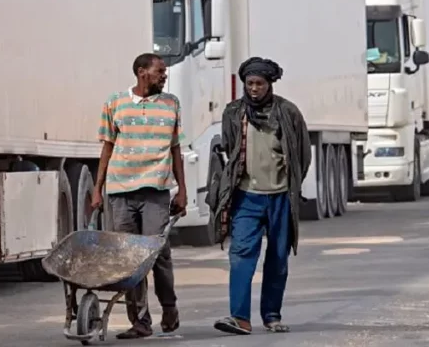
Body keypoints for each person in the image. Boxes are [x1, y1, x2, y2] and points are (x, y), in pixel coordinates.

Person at [209, 57, 311, 336]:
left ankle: (272, 316)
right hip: (246, 197)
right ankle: (239, 317)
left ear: (270, 84)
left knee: (278, 258)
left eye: (259, 84)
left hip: (280, 197)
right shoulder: (233, 112)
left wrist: (290, 184)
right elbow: (229, 149)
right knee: (240, 255)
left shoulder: (287, 112)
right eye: (249, 83)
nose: (254, 89)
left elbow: (302, 154)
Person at [91, 52, 187, 339]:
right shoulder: (115, 103)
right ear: (141, 72)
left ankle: (169, 307)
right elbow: (107, 147)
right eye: (159, 71)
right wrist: (97, 189)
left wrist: (182, 189)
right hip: (121, 191)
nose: (164, 75)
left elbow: (176, 149)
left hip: (156, 191)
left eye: (164, 71)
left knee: (157, 254)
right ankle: (140, 321)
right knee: (129, 258)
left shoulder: (171, 104)